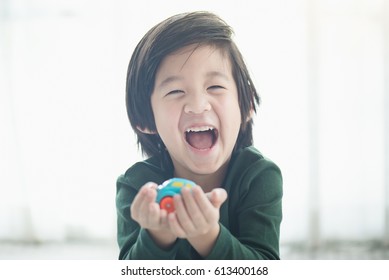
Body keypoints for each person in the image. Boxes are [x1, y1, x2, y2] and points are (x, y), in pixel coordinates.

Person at [116, 11, 283, 260]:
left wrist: (207, 235)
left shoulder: (258, 176)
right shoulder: (138, 186)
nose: (197, 104)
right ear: (146, 119)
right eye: (175, 91)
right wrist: (157, 236)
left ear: (246, 104)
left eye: (215, 87)